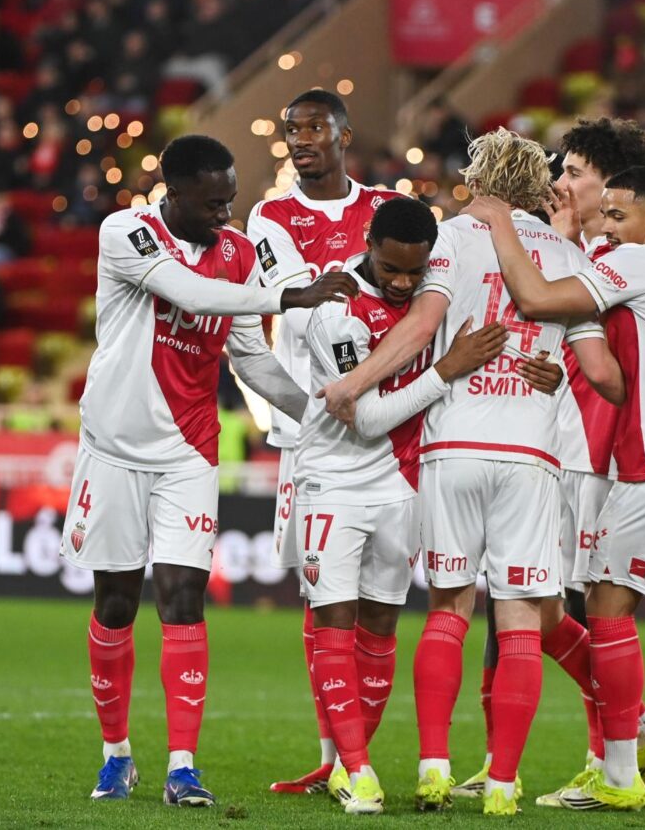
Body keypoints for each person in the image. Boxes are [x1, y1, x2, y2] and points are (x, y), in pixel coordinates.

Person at [319, 128, 624, 816]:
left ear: (480, 177)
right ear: (538, 184)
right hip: (531, 454)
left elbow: (419, 328)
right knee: (519, 622)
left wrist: (355, 382)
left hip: (453, 444)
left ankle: (433, 767)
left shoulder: (451, 239)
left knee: (449, 610)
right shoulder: (567, 253)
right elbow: (601, 372)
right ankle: (504, 784)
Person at [60, 135, 357, 807]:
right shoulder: (126, 232)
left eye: (231, 200)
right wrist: (290, 297)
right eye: (213, 202)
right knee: (115, 603)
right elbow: (188, 292)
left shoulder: (240, 254)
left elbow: (249, 359)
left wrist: (318, 413)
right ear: (174, 191)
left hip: (188, 451)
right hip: (112, 447)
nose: (226, 214)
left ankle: (183, 767)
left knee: (183, 597)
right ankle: (116, 755)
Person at [459, 166, 645, 818]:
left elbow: (537, 297)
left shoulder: (636, 263)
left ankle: (617, 771)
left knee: (607, 609)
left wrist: (502, 221)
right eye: (604, 215)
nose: (608, 227)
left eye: (619, 215)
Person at [294, 196, 562, 814]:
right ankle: (358, 770)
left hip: (404, 483)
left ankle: (348, 763)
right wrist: (446, 369)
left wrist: (555, 373)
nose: (402, 282)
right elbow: (366, 419)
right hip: (335, 481)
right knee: (334, 620)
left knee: (381, 627)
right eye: (391, 268)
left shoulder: (433, 295)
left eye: (415, 271)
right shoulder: (336, 311)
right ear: (369, 244)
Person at [244, 90, 388, 797]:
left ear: (343, 134)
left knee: (380, 599)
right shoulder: (270, 216)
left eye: (313, 127)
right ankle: (333, 755)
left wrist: (349, 290)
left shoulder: (388, 206)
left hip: (389, 427)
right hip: (311, 434)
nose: (300, 139)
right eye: (291, 129)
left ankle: (358, 756)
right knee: (318, 593)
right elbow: (300, 306)